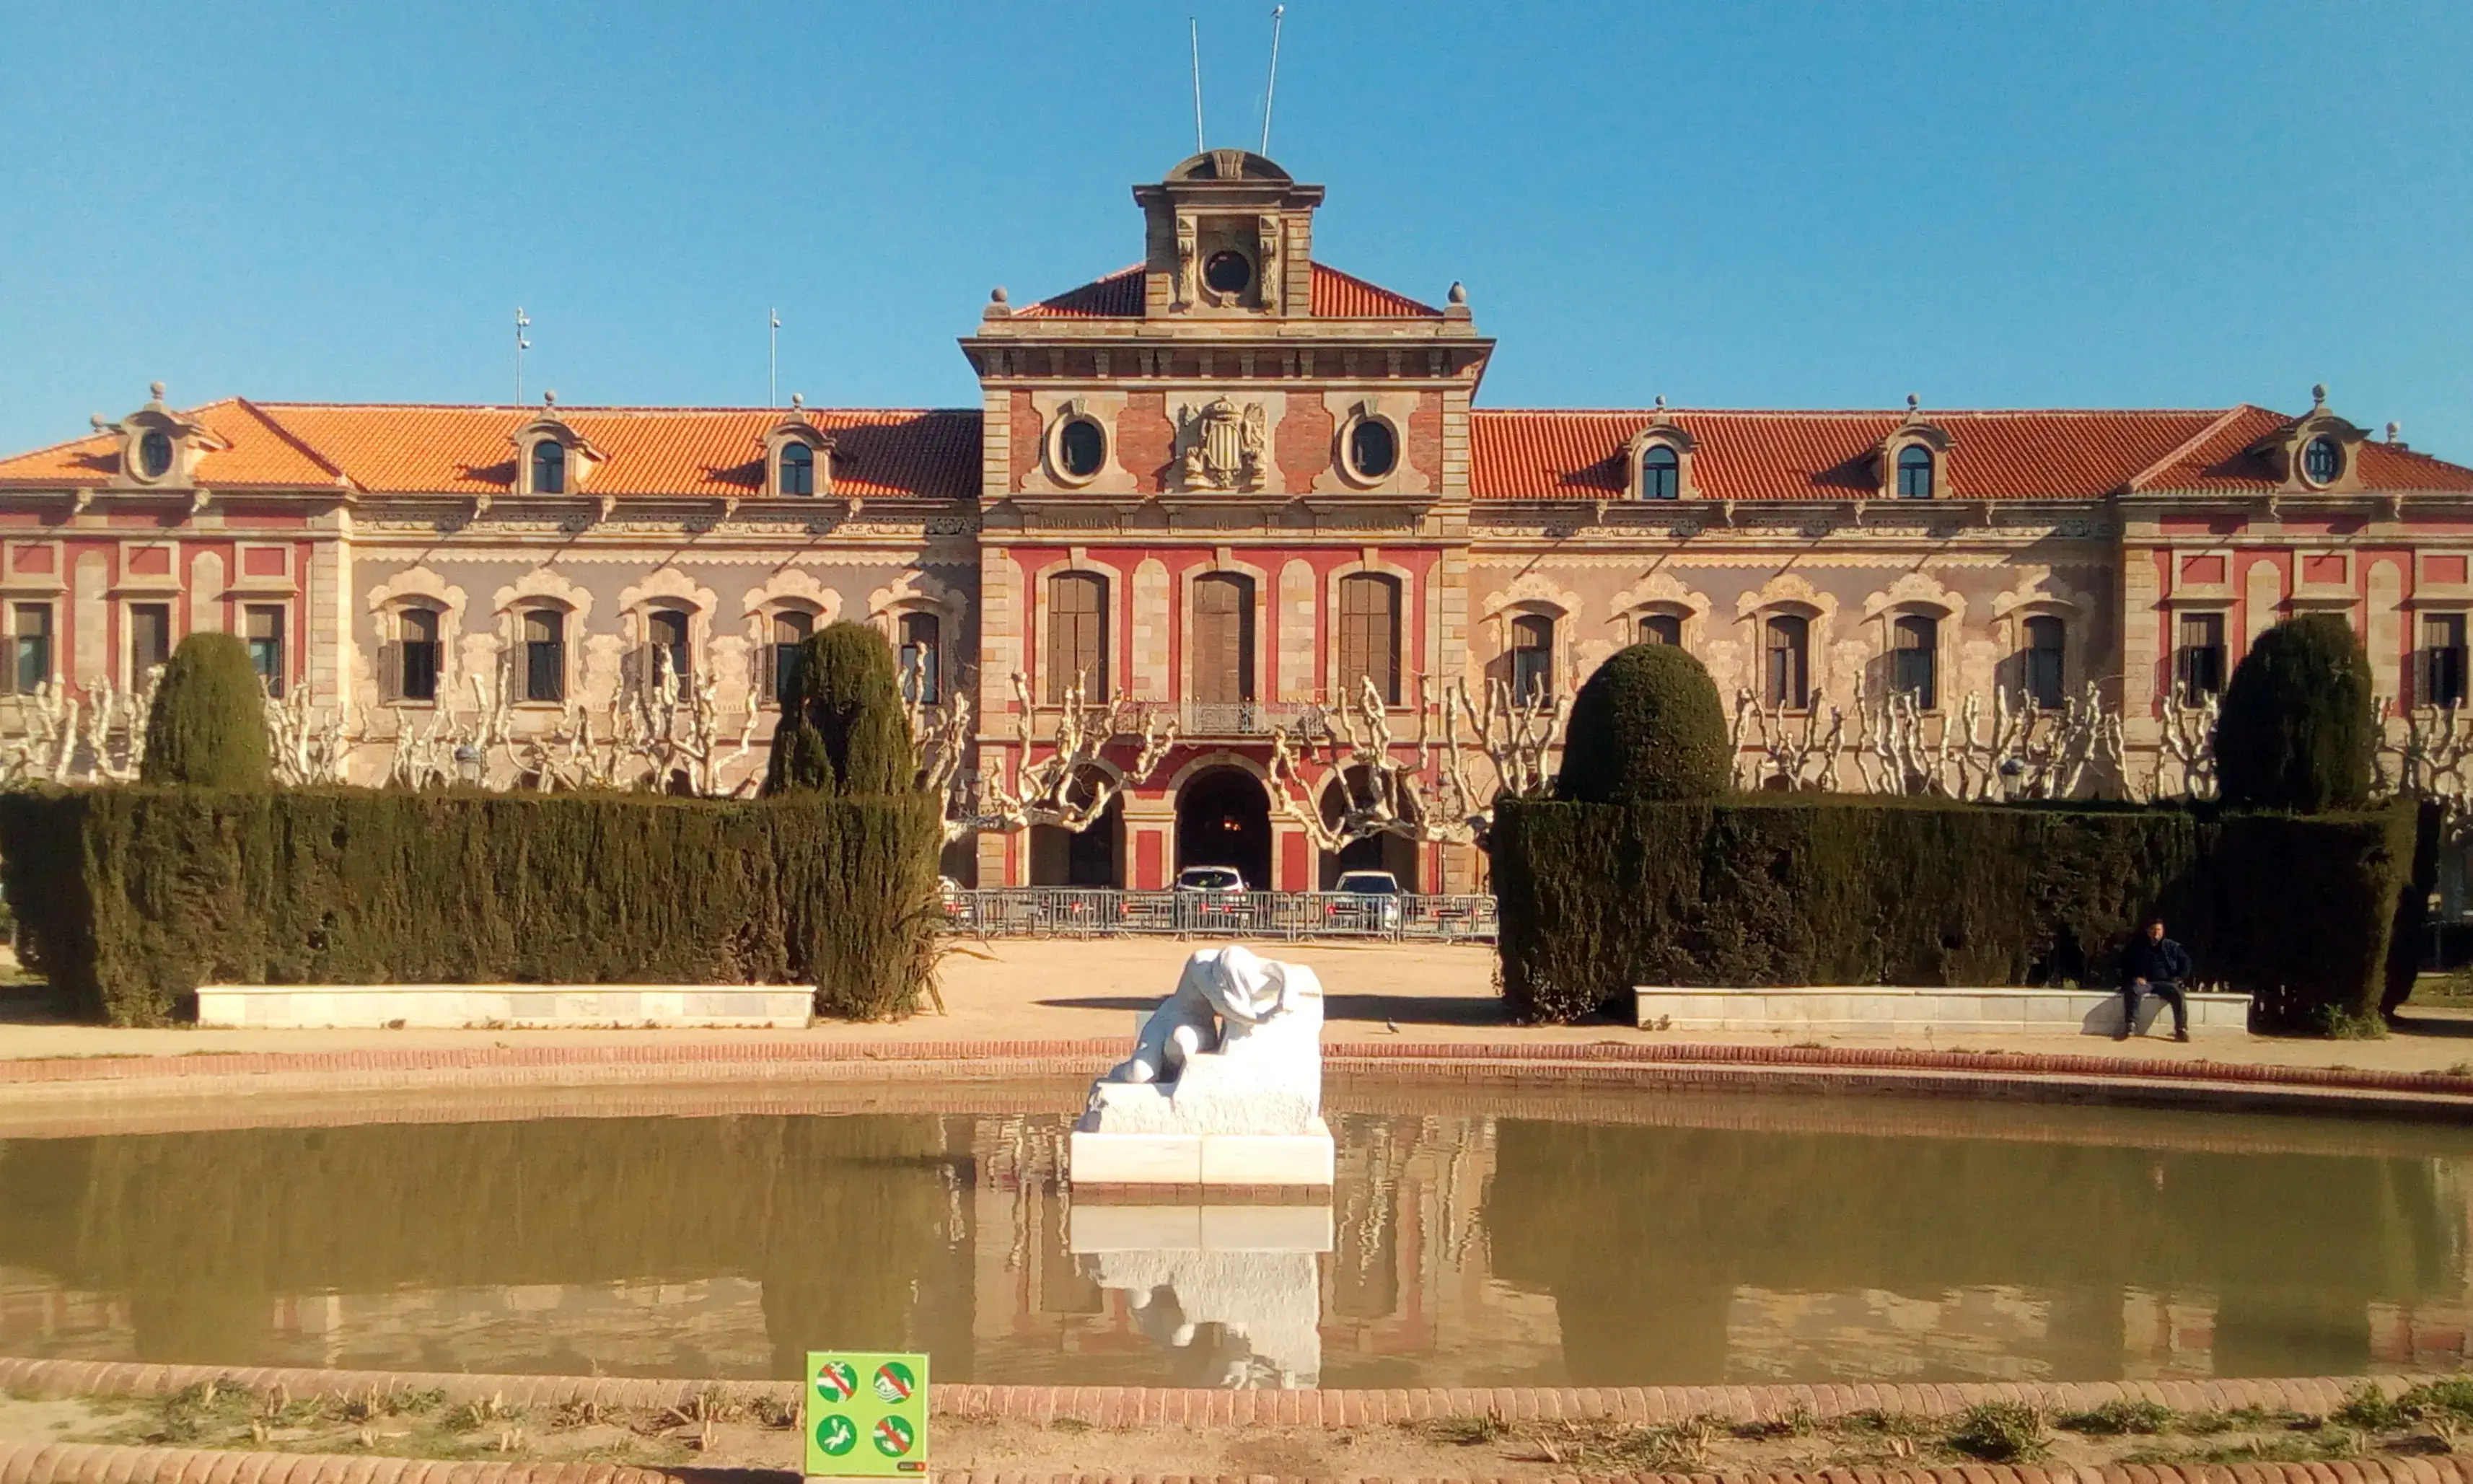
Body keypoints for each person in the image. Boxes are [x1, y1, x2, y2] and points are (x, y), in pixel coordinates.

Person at [2117, 918, 2193, 1042]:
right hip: (2147, 983)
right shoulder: (2139, 948)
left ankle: (2181, 1030)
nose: (2156, 933)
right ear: (2148, 932)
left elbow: (2186, 962)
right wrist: (2135, 977)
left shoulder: (2172, 946)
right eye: (2154, 930)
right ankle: (2130, 1025)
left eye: (2159, 929)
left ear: (2163, 931)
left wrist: (2180, 978)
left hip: (2166, 983)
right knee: (2134, 991)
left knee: (2178, 993)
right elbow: (2128, 965)